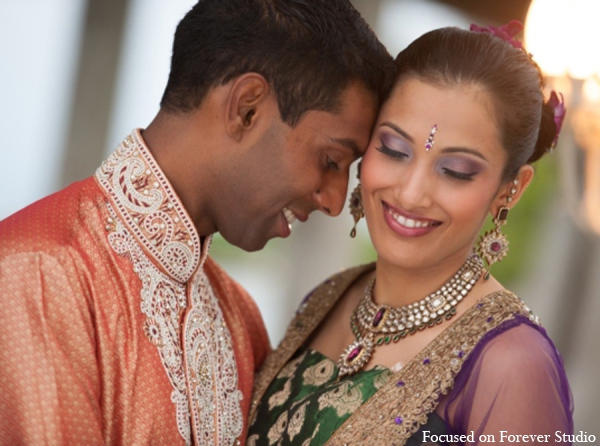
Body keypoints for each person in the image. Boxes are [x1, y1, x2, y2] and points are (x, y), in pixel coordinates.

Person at [0, 0, 395, 444]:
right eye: (331, 159)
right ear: (247, 108)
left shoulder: (239, 320)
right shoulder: (37, 275)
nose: (335, 201)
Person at [247, 21, 573, 446]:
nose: (412, 192)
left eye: (456, 172)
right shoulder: (329, 298)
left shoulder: (511, 364)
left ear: (510, 189)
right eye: (394, 150)